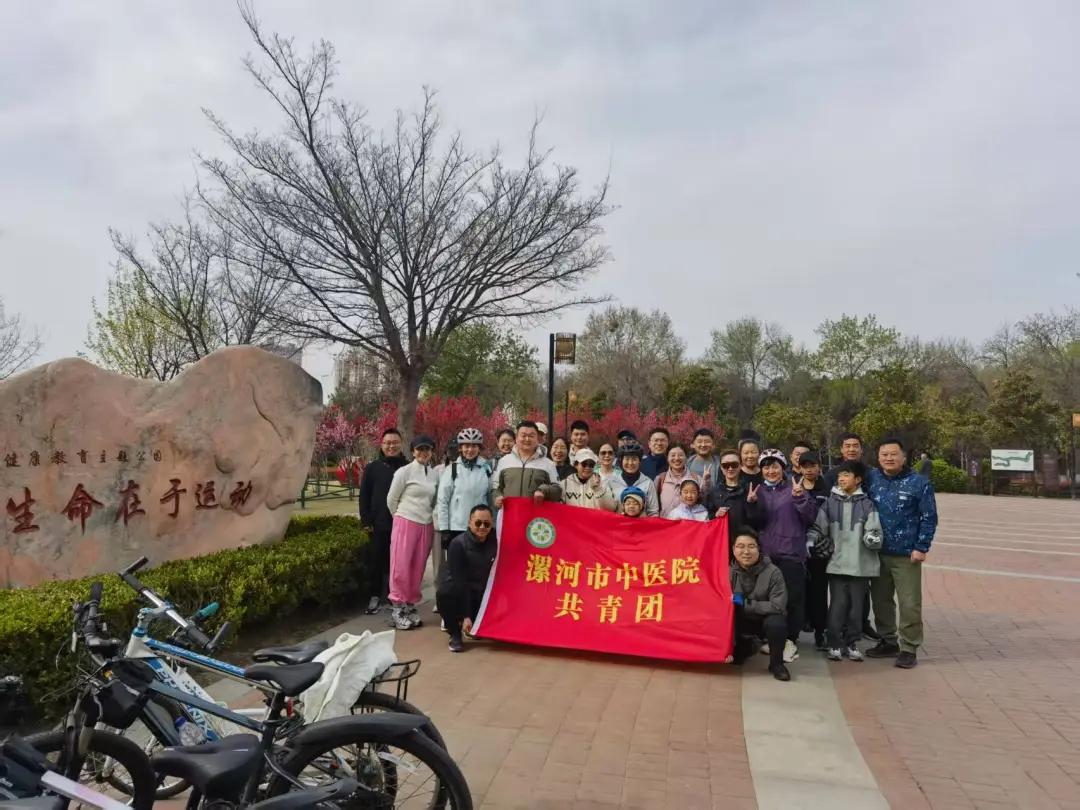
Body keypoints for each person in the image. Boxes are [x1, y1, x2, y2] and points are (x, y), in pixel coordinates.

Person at [865, 437, 938, 669]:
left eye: (893, 454)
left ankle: (909, 647)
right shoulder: (871, 478)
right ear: (878, 457)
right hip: (876, 552)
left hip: (907, 555)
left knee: (909, 603)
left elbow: (929, 517)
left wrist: (921, 547)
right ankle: (888, 640)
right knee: (881, 601)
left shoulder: (919, 483)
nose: (889, 458)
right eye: (884, 454)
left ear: (904, 457)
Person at [745, 449, 817, 663]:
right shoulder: (758, 491)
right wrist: (751, 504)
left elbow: (810, 517)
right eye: (766, 467)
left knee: (792, 598)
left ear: (783, 468)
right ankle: (771, 637)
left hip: (791, 552)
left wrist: (800, 498)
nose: (771, 471)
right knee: (766, 598)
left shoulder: (794, 488)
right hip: (766, 554)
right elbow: (754, 522)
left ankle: (790, 639)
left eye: (775, 466)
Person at [808, 460, 883, 662]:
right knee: (837, 605)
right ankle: (834, 643)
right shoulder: (830, 503)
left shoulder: (868, 504)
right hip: (837, 564)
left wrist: (873, 538)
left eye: (846, 475)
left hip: (861, 565)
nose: (841, 479)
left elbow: (875, 530)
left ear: (858, 479)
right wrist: (812, 540)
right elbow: (818, 527)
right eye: (840, 475)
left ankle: (851, 642)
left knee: (856, 608)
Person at [386, 435, 439, 631]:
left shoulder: (434, 474)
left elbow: (434, 500)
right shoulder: (404, 472)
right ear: (413, 451)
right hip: (405, 521)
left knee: (417, 567)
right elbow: (391, 499)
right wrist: (400, 518)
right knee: (400, 567)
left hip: (426, 524)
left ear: (431, 451)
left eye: (427, 449)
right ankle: (397, 608)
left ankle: (409, 606)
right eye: (420, 449)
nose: (423, 453)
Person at [729, 528, 791, 681]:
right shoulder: (727, 571)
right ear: (733, 549)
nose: (746, 552)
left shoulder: (773, 572)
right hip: (739, 620)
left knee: (777, 623)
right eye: (740, 546)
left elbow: (778, 606)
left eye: (751, 546)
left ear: (759, 549)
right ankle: (743, 647)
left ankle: (777, 664)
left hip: (764, 620)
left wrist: (745, 604)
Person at [436, 505, 498, 653]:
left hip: (482, 593)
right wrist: (466, 615)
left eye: (486, 524)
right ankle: (455, 633)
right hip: (460, 591)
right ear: (469, 522)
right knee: (445, 592)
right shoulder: (458, 544)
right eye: (478, 523)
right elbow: (460, 583)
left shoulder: (496, 540)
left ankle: (476, 625)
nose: (482, 527)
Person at [358, 428, 407, 614]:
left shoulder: (408, 467)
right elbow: (364, 496)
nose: (391, 446)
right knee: (376, 560)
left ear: (401, 444)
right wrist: (366, 521)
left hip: (402, 524)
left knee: (398, 562)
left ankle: (394, 595)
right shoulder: (372, 468)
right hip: (378, 524)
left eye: (395, 442)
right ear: (382, 445)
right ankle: (375, 596)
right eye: (387, 443)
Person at [435, 428, 492, 587]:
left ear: (479, 448)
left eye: (474, 446)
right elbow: (442, 500)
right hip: (457, 527)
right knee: (457, 570)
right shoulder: (452, 469)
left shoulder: (486, 469)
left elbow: (490, 496)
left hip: (480, 527)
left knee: (478, 569)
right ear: (460, 448)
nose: (470, 449)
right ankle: (456, 598)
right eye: (466, 446)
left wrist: (491, 524)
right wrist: (444, 529)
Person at [795, 450, 831, 651]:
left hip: (819, 548)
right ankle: (795, 630)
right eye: (805, 466)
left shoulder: (827, 488)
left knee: (818, 591)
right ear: (799, 468)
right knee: (798, 590)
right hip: (795, 545)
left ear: (819, 467)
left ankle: (820, 631)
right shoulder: (794, 486)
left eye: (812, 466)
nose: (809, 470)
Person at [492, 421, 562, 509]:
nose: (527, 439)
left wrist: (543, 491)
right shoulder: (504, 461)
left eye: (531, 436)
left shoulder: (548, 463)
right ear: (516, 438)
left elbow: (558, 490)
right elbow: (496, 488)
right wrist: (497, 497)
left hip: (536, 515)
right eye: (523, 435)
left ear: (537, 439)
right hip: (510, 513)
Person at [704, 449, 761, 551]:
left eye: (734, 465)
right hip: (721, 543)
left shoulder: (750, 490)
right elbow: (707, 517)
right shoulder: (714, 492)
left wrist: (752, 504)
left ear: (740, 466)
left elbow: (758, 521)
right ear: (721, 467)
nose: (730, 468)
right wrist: (716, 515)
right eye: (726, 465)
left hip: (744, 545)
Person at [609, 442, 661, 517]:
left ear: (640, 461)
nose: (630, 463)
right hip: (618, 523)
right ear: (621, 461)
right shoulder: (611, 482)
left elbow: (653, 513)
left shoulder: (648, 483)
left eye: (634, 459)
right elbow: (607, 511)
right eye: (627, 459)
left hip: (641, 524)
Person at [655, 445, 702, 517]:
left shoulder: (696, 478)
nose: (676, 458)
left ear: (686, 457)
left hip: (689, 523)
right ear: (667, 458)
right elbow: (653, 508)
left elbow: (704, 500)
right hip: (665, 522)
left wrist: (707, 482)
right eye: (673, 455)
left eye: (680, 455)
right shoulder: (660, 479)